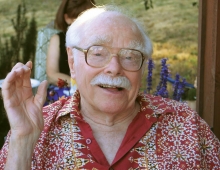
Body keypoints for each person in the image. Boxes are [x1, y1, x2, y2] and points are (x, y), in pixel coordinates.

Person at [0, 5, 220, 169]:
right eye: (97, 53)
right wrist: (23, 142)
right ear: (71, 62)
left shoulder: (188, 127)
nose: (114, 68)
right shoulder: (32, 129)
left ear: (143, 67)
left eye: (130, 56)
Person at [45, 0, 95, 105]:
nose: (83, 23)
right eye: (77, 18)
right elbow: (51, 74)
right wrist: (77, 84)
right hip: (65, 89)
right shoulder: (57, 39)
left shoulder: (98, 40)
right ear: (67, 18)